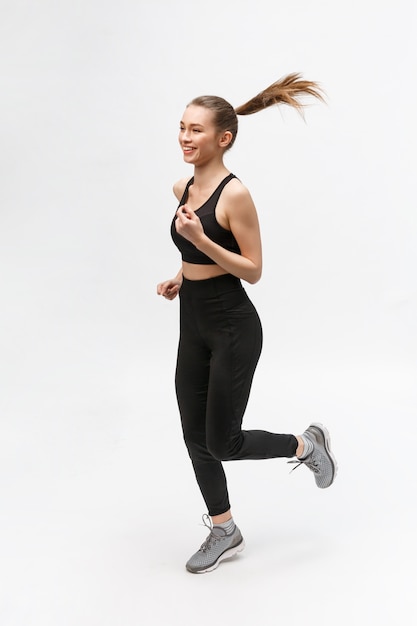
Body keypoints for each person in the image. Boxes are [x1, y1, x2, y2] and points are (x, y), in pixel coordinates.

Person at [157, 73, 337, 574]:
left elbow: (253, 269)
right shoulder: (183, 187)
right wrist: (178, 276)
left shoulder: (236, 196)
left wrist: (203, 239)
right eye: (181, 127)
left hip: (233, 326)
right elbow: (193, 251)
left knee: (223, 442)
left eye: (195, 130)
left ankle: (306, 444)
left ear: (223, 138)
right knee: (194, 435)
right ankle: (224, 528)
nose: (185, 138)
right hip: (192, 319)